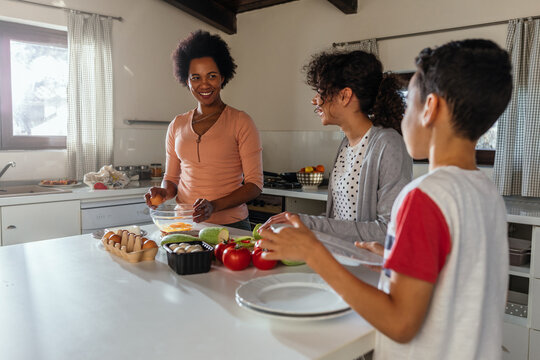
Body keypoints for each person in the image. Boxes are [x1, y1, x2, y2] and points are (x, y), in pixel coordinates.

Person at [259, 39, 512, 359]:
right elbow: (471, 282)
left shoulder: (424, 197)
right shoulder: (487, 193)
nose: (400, 116)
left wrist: (313, 250)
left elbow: (401, 323)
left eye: (410, 104)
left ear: (430, 108)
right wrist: (393, 255)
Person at [261, 50, 412, 244]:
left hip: (368, 268)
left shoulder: (388, 144)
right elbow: (340, 219)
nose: (315, 100)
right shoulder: (345, 146)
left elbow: (389, 231)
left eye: (321, 92)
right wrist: (297, 223)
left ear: (345, 96)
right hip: (340, 259)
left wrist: (309, 223)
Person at [145, 30, 263, 231]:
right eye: (196, 78)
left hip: (231, 225)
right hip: (184, 224)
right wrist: (164, 193)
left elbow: (254, 185)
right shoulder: (177, 125)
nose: (204, 84)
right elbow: (172, 178)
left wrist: (214, 206)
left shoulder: (241, 122)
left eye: (211, 76)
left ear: (222, 77)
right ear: (187, 80)